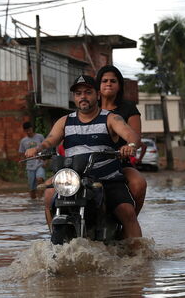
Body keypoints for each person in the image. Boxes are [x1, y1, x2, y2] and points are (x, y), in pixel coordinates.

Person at [25, 74, 143, 239]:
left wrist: (129, 146)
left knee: (127, 211)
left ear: (97, 95)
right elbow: (50, 140)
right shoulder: (65, 121)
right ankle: (55, 236)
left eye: (88, 92)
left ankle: (138, 256)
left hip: (106, 179)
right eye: (78, 93)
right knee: (48, 195)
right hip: (74, 179)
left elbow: (132, 135)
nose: (83, 97)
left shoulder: (110, 118)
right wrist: (38, 148)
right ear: (74, 97)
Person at [96, 64, 148, 214]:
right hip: (90, 164)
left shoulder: (128, 108)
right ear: (98, 86)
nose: (108, 84)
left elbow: (136, 138)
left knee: (139, 184)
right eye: (104, 81)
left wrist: (129, 147)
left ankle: (130, 221)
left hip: (120, 163)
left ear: (119, 86)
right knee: (53, 188)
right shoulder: (90, 108)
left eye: (113, 81)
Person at [18, 121, 45, 199]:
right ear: (24, 131)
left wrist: (46, 161)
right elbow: (22, 156)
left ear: (32, 128)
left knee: (40, 179)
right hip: (30, 166)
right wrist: (21, 170)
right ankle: (33, 203)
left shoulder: (40, 137)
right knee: (32, 188)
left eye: (29, 129)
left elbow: (46, 148)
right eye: (26, 130)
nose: (28, 132)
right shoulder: (23, 141)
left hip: (40, 164)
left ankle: (40, 199)